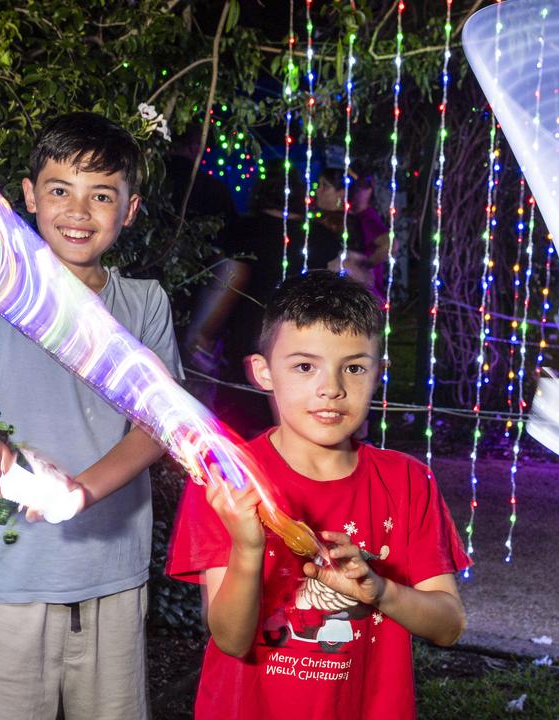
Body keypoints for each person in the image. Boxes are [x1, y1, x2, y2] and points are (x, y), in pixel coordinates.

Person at [0, 112, 182, 719]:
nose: (78, 212)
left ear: (129, 209)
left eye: (101, 195)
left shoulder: (144, 303)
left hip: (112, 575)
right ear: (30, 197)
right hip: (12, 575)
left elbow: (158, 428)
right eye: (60, 190)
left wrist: (81, 491)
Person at [167, 270, 470, 719]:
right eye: (305, 366)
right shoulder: (229, 481)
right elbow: (230, 639)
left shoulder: (408, 482)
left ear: (378, 373)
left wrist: (379, 589)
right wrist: (249, 548)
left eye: (354, 367)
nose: (332, 387)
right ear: (263, 372)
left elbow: (449, 626)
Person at [185, 168, 342, 437]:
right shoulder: (320, 237)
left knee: (246, 431)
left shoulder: (243, 231)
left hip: (250, 343)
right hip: (308, 345)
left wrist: (201, 334)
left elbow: (226, 283)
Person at [315, 169, 391, 297]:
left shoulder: (347, 222)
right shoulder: (347, 218)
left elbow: (389, 243)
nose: (318, 191)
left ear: (342, 192)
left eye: (325, 186)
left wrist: (366, 265)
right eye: (319, 185)